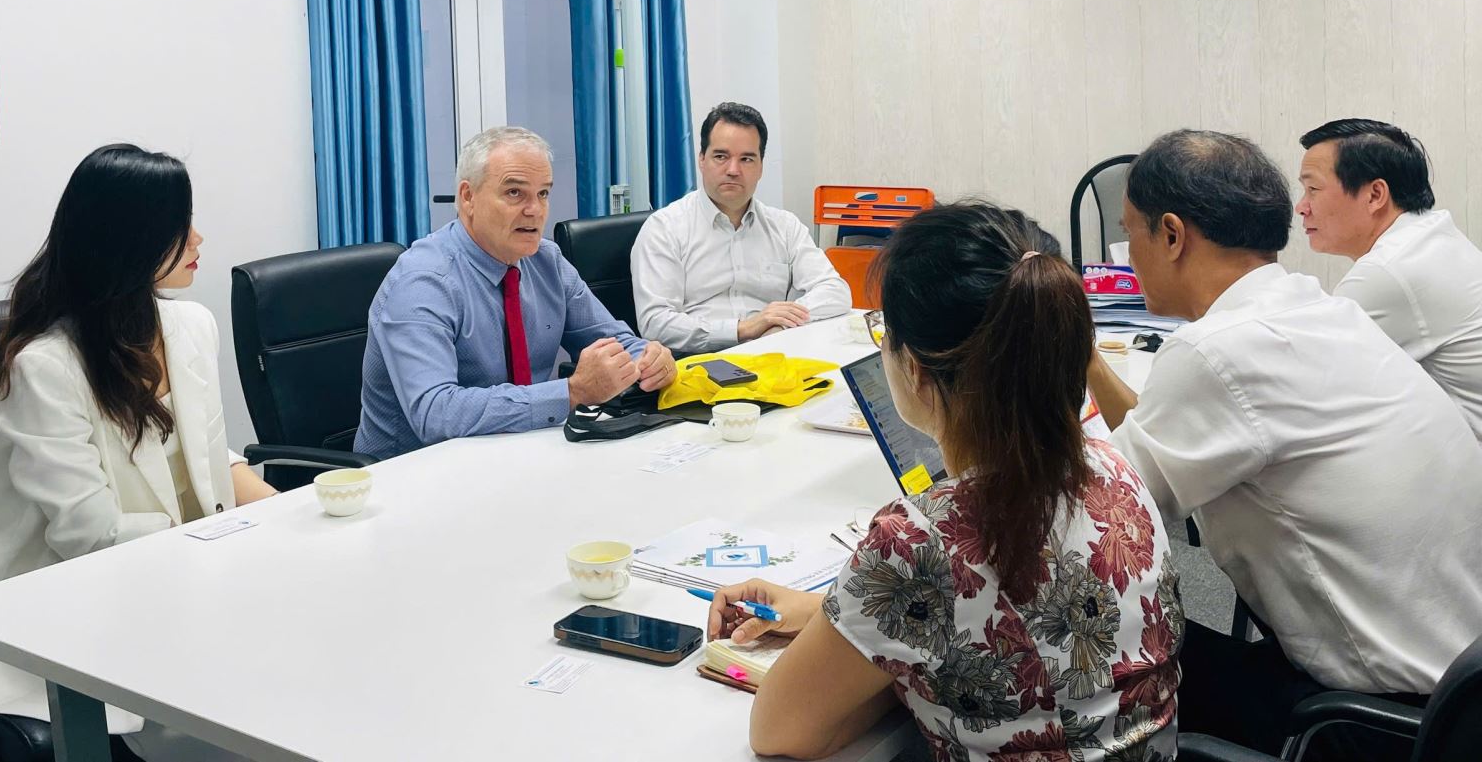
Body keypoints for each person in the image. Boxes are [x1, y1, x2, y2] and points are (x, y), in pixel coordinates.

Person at [710, 201, 1181, 761]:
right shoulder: (1113, 466)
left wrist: (882, 642)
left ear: (914, 367)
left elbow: (778, 731)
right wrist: (837, 615)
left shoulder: (919, 542)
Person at [1087, 129, 1482, 758]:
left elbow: (1100, 513)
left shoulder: (1216, 352)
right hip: (1456, 687)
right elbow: (1155, 450)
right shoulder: (1315, 310)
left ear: (1172, 235)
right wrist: (1086, 358)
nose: (1126, 255)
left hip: (1376, 722)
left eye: (1129, 233)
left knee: (1095, 639)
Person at [0, 144, 276, 761]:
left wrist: (286, 512)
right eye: (179, 226)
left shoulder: (192, 326)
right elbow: (88, 536)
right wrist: (220, 548)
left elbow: (205, 459)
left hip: (186, 586)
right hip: (76, 615)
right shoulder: (45, 368)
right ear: (128, 242)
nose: (198, 238)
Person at [356, 126, 677, 459]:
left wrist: (649, 358)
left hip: (520, 455)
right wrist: (571, 392)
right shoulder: (423, 282)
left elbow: (616, 343)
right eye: (514, 193)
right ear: (467, 197)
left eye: (543, 193)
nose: (534, 210)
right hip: (414, 472)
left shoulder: (547, 261)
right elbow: (435, 413)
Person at [1297, 118, 1482, 441]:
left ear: (1375, 195)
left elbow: (1306, 387)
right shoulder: (1431, 237)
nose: (1301, 207)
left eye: (1313, 189)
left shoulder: (1389, 270)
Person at [630, 102, 850, 352]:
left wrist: (780, 324)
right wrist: (743, 329)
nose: (733, 170)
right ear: (701, 160)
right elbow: (656, 323)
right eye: (721, 157)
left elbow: (836, 291)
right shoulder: (664, 228)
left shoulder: (785, 227)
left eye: (746, 159)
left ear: (761, 167)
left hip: (775, 353)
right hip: (699, 362)